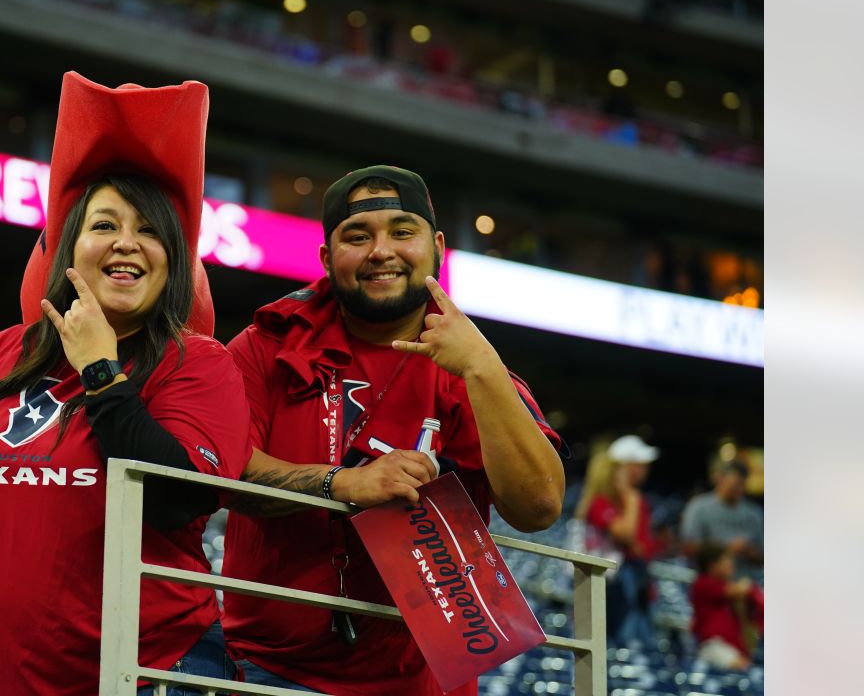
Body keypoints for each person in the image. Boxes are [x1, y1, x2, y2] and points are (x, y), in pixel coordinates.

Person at [0, 73, 249, 696]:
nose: (127, 242)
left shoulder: (198, 363)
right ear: (70, 247)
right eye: (105, 225)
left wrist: (102, 371)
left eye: (150, 230)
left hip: (156, 675)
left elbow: (179, 499)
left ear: (174, 260)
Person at [221, 165, 566, 696]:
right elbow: (228, 469)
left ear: (438, 247)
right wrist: (343, 484)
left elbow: (539, 507)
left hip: (421, 684)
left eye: (403, 231)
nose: (382, 251)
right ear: (326, 258)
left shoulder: (477, 370)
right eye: (357, 237)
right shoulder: (264, 345)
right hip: (269, 670)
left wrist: (482, 369)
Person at [579, 433, 659, 646]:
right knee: (621, 645)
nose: (645, 470)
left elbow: (642, 546)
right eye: (640, 464)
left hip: (637, 582)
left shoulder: (634, 501)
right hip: (616, 587)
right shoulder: (601, 502)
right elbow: (626, 535)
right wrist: (631, 497)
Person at [680, 460, 763, 575]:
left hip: (747, 582)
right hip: (712, 584)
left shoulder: (753, 513)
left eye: (742, 484)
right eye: (735, 484)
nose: (739, 489)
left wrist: (750, 552)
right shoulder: (698, 507)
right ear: (720, 479)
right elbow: (688, 548)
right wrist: (726, 549)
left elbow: (763, 556)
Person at [690, 543, 762, 670]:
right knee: (746, 672)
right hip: (714, 645)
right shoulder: (703, 583)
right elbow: (740, 589)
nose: (731, 564)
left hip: (731, 645)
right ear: (713, 565)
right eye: (726, 560)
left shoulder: (723, 583)